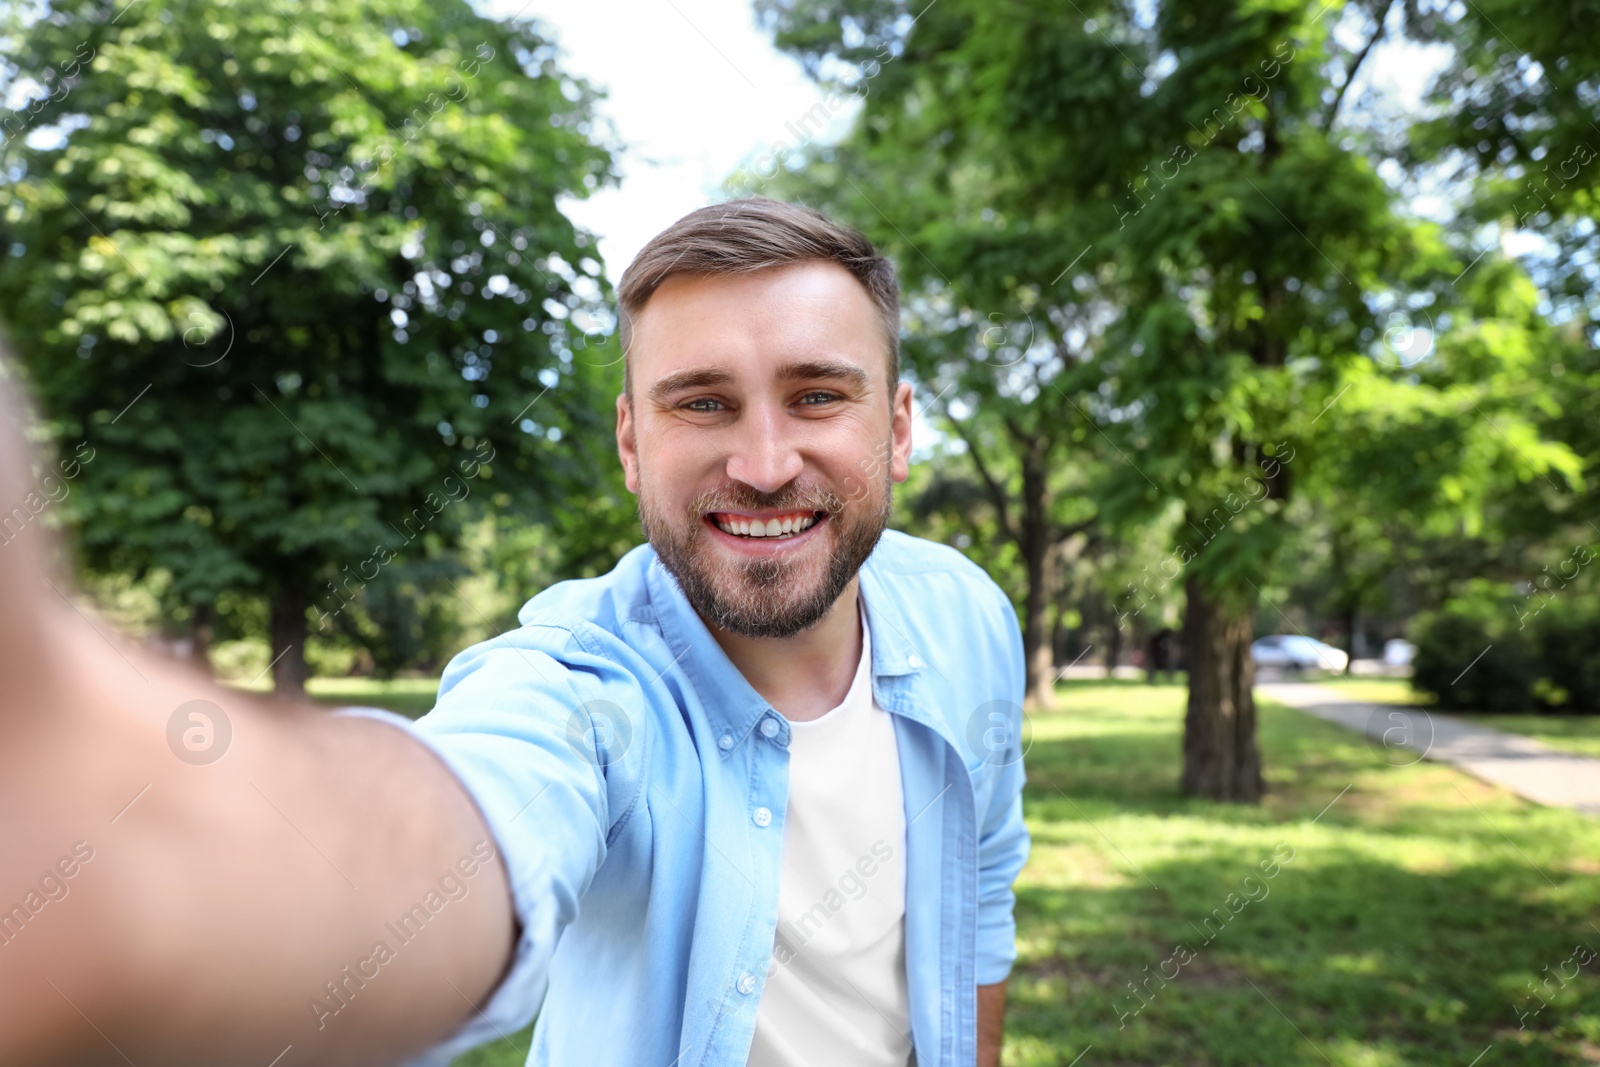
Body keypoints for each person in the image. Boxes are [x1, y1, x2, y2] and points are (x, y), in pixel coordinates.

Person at [0, 197, 1030, 1067]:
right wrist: (135, 847)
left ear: (895, 426)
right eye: (702, 403)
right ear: (632, 441)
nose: (763, 462)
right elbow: (468, 818)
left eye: (815, 396)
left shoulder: (965, 615)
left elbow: (978, 890)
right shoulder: (581, 682)